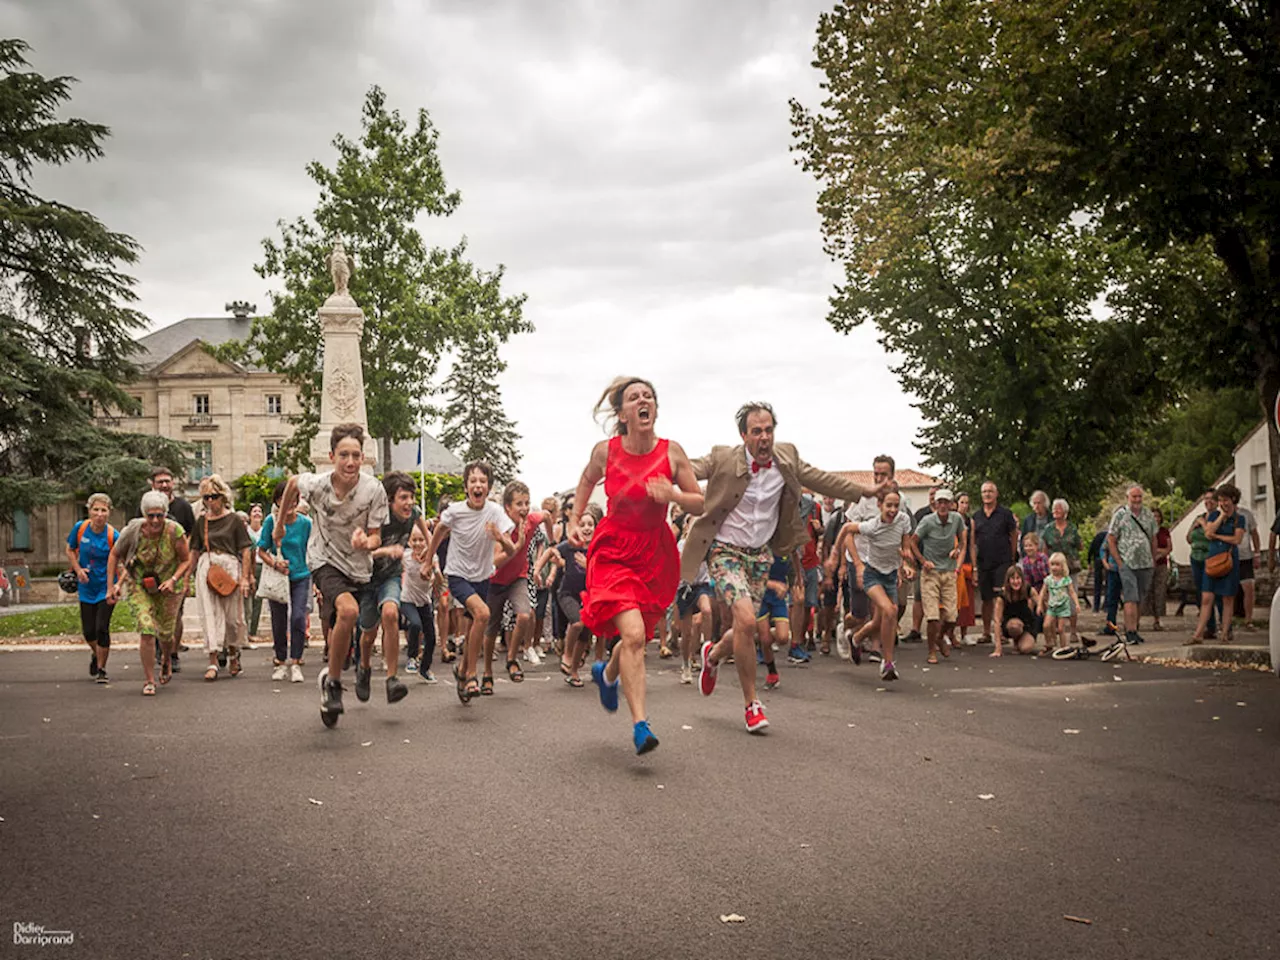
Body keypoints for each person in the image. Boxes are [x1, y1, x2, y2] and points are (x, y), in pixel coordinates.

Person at [688, 401, 873, 733]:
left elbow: (820, 478)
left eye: (769, 430)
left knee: (743, 629)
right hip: (725, 551)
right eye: (756, 431)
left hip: (761, 555)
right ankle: (752, 704)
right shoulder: (723, 457)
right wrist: (648, 469)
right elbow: (689, 469)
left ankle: (713, 656)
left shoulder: (786, 457)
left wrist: (864, 491)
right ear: (743, 435)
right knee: (746, 620)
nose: (764, 437)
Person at [566, 377, 703, 754]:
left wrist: (673, 493)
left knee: (634, 636)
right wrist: (575, 519)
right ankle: (641, 725)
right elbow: (586, 480)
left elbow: (699, 503)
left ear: (654, 409)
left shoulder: (672, 452)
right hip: (614, 550)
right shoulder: (605, 452)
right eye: (634, 397)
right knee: (635, 636)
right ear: (623, 414)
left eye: (648, 396)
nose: (643, 401)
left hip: (653, 554)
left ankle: (607, 674)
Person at [276, 423, 389, 726]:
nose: (350, 462)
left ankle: (339, 674)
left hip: (359, 564)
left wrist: (367, 542)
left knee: (360, 623)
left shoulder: (373, 489)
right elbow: (291, 484)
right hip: (324, 559)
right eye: (343, 455)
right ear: (332, 456)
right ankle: (334, 684)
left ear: (363, 458)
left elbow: (377, 536)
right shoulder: (317, 484)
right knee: (347, 611)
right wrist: (278, 526)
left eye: (355, 455)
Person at [424, 461, 517, 703]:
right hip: (457, 573)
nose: (478, 485)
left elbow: (512, 549)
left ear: (488, 487)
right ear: (466, 486)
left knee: (477, 621)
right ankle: (471, 674)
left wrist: (499, 537)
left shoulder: (495, 512)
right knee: (483, 614)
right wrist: (428, 561)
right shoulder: (455, 511)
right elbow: (439, 532)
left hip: (482, 576)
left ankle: (462, 670)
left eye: (482, 482)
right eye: (473, 481)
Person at [106, 491, 192, 695]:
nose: (155, 520)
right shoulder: (133, 530)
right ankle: (149, 680)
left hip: (167, 586)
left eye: (159, 515)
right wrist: (112, 586)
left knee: (166, 633)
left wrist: (173, 580)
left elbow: (186, 560)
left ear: (165, 514)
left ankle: (166, 661)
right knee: (146, 628)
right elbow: (114, 555)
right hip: (139, 585)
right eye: (151, 515)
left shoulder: (174, 531)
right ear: (144, 514)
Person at [354, 471, 429, 705]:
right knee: (368, 634)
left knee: (390, 613)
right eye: (403, 498)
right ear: (389, 500)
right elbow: (360, 551)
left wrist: (428, 547)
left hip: (391, 577)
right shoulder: (377, 519)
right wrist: (387, 550)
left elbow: (423, 525)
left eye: (411, 497)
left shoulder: (413, 514)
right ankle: (364, 668)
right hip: (367, 579)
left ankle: (392, 679)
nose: (409, 503)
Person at [829, 488, 914, 680]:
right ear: (880, 506)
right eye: (888, 506)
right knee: (890, 610)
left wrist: (906, 563)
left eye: (896, 505)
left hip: (890, 575)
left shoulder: (903, 520)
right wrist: (837, 555)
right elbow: (846, 529)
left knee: (878, 621)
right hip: (872, 575)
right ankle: (888, 663)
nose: (893, 510)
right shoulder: (872, 526)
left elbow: (905, 545)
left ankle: (856, 638)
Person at [190, 474, 255, 681]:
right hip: (207, 567)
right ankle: (213, 660)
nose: (210, 501)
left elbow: (245, 549)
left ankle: (233, 652)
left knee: (232, 618)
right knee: (210, 614)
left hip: (229, 567)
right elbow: (194, 550)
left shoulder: (234, 520)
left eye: (214, 496)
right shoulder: (202, 521)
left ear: (223, 496)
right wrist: (186, 578)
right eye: (206, 497)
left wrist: (245, 578)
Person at [484, 481, 544, 686]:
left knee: (525, 614)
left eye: (527, 503)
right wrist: (516, 548)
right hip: (495, 580)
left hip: (518, 577)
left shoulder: (531, 521)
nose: (525, 508)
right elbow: (494, 562)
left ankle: (511, 658)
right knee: (491, 627)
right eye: (519, 504)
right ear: (507, 508)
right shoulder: (499, 528)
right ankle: (487, 673)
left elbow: (546, 515)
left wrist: (552, 541)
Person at [536, 504, 601, 688]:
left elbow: (604, 573)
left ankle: (573, 673)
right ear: (576, 529)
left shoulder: (598, 549)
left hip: (589, 597)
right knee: (578, 623)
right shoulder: (572, 545)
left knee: (584, 637)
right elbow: (551, 551)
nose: (587, 528)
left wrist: (589, 565)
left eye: (590, 525)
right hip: (567, 594)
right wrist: (537, 570)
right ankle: (566, 654)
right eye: (583, 525)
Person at [259, 479, 312, 684]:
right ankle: (280, 660)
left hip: (301, 574)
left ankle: (296, 661)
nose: (290, 503)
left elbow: (312, 548)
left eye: (294, 498)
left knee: (298, 617)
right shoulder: (271, 521)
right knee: (278, 620)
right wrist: (275, 563)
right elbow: (261, 550)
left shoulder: (305, 523)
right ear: (277, 500)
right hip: (278, 576)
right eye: (285, 498)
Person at [143, 467, 195, 675]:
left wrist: (182, 554)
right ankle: (159, 648)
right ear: (152, 484)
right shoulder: (147, 506)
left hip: (177, 569)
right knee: (154, 611)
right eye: (160, 481)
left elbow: (191, 534)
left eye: (167, 481)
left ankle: (172, 654)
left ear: (173, 483)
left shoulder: (183, 506)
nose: (164, 485)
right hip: (152, 572)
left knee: (176, 614)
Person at [65, 493, 119, 683]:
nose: (99, 514)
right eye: (96, 509)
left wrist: (116, 585)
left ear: (108, 513)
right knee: (89, 632)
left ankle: (102, 669)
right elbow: (70, 549)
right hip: (86, 587)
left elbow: (124, 560)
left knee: (101, 628)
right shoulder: (81, 529)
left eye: (103, 510)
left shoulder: (113, 535)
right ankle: (97, 654)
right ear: (89, 511)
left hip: (106, 587)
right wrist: (78, 569)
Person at [909, 488, 966, 664]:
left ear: (951, 505)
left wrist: (957, 551)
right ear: (935, 503)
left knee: (952, 616)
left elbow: (963, 540)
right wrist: (923, 560)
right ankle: (931, 651)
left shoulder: (957, 519)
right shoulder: (927, 521)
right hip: (930, 572)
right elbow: (913, 541)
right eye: (939, 502)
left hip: (948, 571)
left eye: (946, 502)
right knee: (932, 615)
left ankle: (940, 637)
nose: (942, 505)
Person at [1190, 483, 1246, 644]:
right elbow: (1208, 533)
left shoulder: (1239, 519)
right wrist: (1222, 516)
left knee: (1228, 598)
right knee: (1206, 597)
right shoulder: (1215, 515)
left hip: (1228, 560)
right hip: (1212, 559)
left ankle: (1225, 633)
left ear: (1233, 500)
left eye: (1226, 500)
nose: (1223, 503)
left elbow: (1237, 539)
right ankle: (1198, 634)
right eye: (1220, 500)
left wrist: (1219, 537)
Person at [1105, 485, 1157, 647]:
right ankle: (1130, 631)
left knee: (1140, 597)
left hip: (1145, 563)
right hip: (1127, 562)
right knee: (1130, 597)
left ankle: (1136, 628)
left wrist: (1153, 558)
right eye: (1134, 497)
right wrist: (1119, 561)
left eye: (1139, 497)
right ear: (1128, 498)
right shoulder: (1120, 515)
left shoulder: (1148, 515)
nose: (1137, 500)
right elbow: (1111, 539)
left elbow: (1153, 537)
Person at [972, 481, 1019, 642]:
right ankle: (986, 632)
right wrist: (974, 567)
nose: (987, 494)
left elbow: (1014, 535)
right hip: (983, 562)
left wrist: (1012, 558)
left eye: (990, 491)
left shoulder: (1005, 514)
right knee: (986, 599)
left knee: (1000, 597)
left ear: (996, 494)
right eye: (984, 491)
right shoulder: (976, 516)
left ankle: (1001, 632)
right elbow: (972, 542)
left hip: (1002, 561)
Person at [401, 525, 438, 683]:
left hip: (424, 601)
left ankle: (425, 669)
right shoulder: (406, 556)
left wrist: (433, 574)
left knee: (431, 637)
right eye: (414, 540)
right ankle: (411, 658)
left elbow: (438, 578)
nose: (417, 544)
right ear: (409, 542)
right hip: (407, 599)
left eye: (421, 540)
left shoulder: (433, 557)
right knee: (415, 624)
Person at [1041, 498, 1083, 637]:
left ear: (1065, 511)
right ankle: (1055, 630)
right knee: (1054, 600)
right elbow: (1044, 549)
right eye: (1054, 508)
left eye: (1058, 508)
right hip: (1054, 569)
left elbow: (1080, 545)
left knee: (1071, 598)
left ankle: (1073, 630)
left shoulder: (1072, 528)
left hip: (1070, 568)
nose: (1055, 511)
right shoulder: (1048, 529)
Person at [1187, 490, 1222, 639]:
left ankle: (1225, 626)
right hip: (1196, 559)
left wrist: (1202, 524)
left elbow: (1210, 535)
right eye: (1205, 499)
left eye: (1211, 499)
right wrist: (1194, 526)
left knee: (1217, 594)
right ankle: (1210, 626)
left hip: (1212, 559)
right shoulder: (1199, 517)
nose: (1208, 502)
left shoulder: (1219, 517)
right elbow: (1189, 538)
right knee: (1202, 594)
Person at [757, 553, 792, 689]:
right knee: (765, 641)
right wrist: (772, 584)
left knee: (783, 638)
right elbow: (752, 575)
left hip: (779, 596)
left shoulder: (786, 546)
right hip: (760, 594)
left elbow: (794, 557)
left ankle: (762, 634)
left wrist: (797, 581)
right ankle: (772, 673)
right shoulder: (760, 545)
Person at [991, 565, 1042, 656]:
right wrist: (998, 648)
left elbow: (1040, 604)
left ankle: (1022, 641)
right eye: (1012, 579)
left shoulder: (1028, 589)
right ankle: (1015, 641)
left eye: (1018, 578)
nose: (1016, 582)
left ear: (1022, 579)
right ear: (1008, 580)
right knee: (1014, 626)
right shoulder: (1002, 596)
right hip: (1011, 624)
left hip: (1027, 623)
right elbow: (997, 620)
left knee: (1025, 649)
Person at [1038, 553, 1080, 654]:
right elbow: (1042, 592)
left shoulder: (1066, 580)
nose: (1054, 567)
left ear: (1062, 566)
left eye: (1057, 565)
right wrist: (1039, 605)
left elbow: (1072, 592)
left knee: (1061, 629)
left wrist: (1077, 603)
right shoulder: (1048, 580)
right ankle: (1049, 643)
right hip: (1052, 606)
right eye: (1052, 564)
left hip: (1063, 606)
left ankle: (1063, 647)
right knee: (1046, 625)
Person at [952, 492, 978, 646]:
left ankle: (964, 633)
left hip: (967, 561)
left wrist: (974, 568)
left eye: (967, 502)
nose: (965, 505)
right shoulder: (951, 519)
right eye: (962, 502)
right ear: (956, 504)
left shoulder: (970, 521)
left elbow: (972, 545)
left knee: (967, 601)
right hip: (954, 563)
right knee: (953, 601)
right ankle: (949, 633)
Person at [1143, 507, 1172, 631]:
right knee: (1146, 591)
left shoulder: (1164, 531)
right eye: (1153, 516)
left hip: (1161, 564)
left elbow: (1169, 547)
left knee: (1159, 592)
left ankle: (1157, 620)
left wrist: (1159, 552)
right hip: (1148, 564)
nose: (1156, 519)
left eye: (1158, 516)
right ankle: (1140, 619)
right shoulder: (1146, 530)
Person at [1234, 501, 1260, 629]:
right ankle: (1226, 621)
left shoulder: (1246, 514)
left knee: (1249, 588)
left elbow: (1254, 534)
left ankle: (1248, 620)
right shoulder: (1220, 515)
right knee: (1227, 590)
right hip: (1228, 557)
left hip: (1245, 557)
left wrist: (1257, 553)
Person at [244, 503, 266, 640]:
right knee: (247, 598)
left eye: (259, 511)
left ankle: (253, 631)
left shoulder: (265, 530)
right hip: (249, 566)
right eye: (254, 511)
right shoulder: (245, 531)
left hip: (262, 565)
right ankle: (245, 630)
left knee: (258, 599)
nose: (257, 513)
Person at [1019, 490, 1051, 556]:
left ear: (1045, 504)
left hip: (1048, 555)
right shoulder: (1028, 520)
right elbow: (1023, 539)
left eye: (1039, 503)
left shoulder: (1052, 519)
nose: (1036, 506)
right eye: (1034, 503)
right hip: (1032, 556)